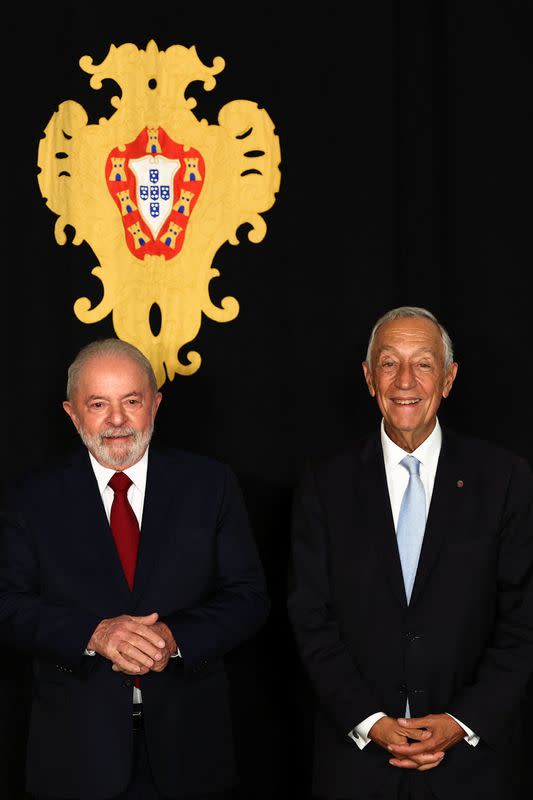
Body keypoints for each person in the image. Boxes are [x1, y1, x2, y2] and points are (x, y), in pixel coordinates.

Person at [0, 338, 270, 800]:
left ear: (156, 404)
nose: (118, 420)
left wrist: (173, 637)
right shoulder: (31, 498)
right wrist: (95, 634)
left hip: (190, 751)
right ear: (71, 413)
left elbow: (248, 597)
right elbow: (7, 604)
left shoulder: (211, 485)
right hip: (75, 757)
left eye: (131, 401)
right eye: (99, 404)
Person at [287, 306, 533, 800]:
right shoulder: (325, 483)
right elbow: (310, 617)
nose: (405, 380)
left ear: (448, 378)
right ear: (368, 376)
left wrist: (462, 721)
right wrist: (370, 721)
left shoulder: (503, 479)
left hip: (471, 766)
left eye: (423, 363)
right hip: (355, 764)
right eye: (389, 362)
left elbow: (524, 619)